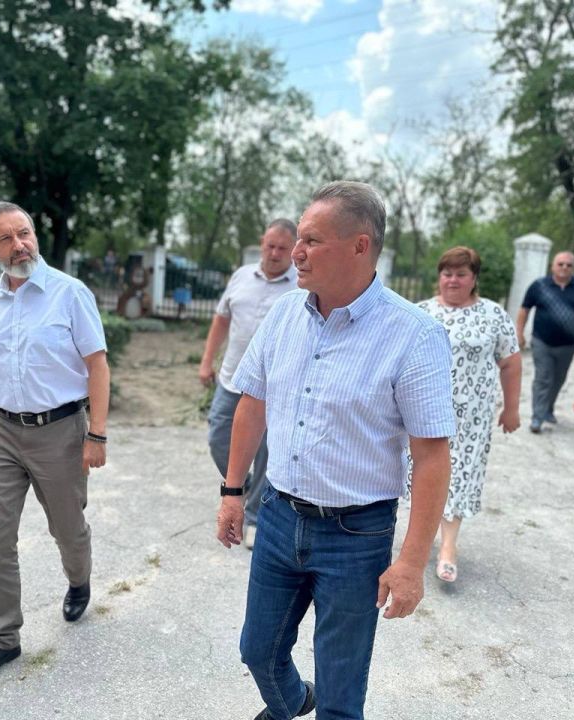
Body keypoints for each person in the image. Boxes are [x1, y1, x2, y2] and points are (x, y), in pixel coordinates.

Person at [215, 181, 454, 720]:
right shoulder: (284, 314)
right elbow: (252, 402)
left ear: (360, 246)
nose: (295, 252)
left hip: (355, 535)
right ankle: (294, 701)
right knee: (258, 651)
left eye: (311, 240)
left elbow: (432, 456)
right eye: (297, 239)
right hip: (279, 516)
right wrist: (232, 491)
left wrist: (412, 561)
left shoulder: (414, 335)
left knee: (342, 693)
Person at [0, 201, 110, 689]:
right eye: (6, 238)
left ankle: (79, 579)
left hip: (60, 432)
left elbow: (98, 365)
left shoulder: (70, 293)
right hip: (1, 432)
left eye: (24, 233)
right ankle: (2, 638)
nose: (19, 244)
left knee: (68, 529)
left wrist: (97, 434)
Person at [415, 247, 522, 583]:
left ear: (474, 278)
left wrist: (512, 408)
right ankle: (420, 540)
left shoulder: (493, 315)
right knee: (422, 474)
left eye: (461, 274)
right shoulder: (422, 312)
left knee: (460, 474)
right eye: (447, 273)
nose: (453, 280)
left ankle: (448, 546)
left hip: (472, 418)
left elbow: (510, 362)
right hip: (425, 413)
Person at [198, 219, 298, 549]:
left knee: (267, 450)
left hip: (274, 387)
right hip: (232, 378)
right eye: (270, 246)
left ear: (293, 250)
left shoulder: (301, 285)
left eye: (282, 248)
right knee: (218, 437)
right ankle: (247, 484)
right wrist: (206, 360)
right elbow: (221, 318)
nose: (274, 253)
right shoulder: (241, 276)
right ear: (262, 243)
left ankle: (254, 515)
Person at [516, 251, 574, 433]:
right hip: (542, 341)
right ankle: (537, 417)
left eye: (569, 265)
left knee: (558, 379)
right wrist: (519, 333)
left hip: (568, 344)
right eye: (560, 264)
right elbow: (524, 309)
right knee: (543, 378)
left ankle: (548, 409)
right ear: (552, 266)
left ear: (573, 268)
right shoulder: (539, 285)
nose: (564, 267)